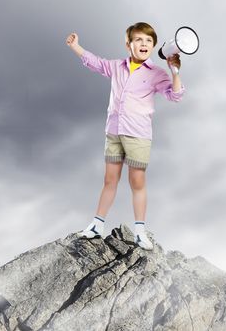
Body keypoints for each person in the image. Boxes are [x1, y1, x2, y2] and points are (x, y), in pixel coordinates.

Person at [65, 22, 184, 250]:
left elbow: (175, 96)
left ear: (153, 46)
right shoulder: (117, 67)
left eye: (149, 41)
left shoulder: (156, 74)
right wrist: (76, 47)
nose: (144, 44)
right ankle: (97, 225)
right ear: (128, 44)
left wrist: (175, 71)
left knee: (137, 182)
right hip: (114, 131)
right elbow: (96, 63)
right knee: (110, 180)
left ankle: (140, 232)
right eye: (139, 39)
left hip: (138, 135)